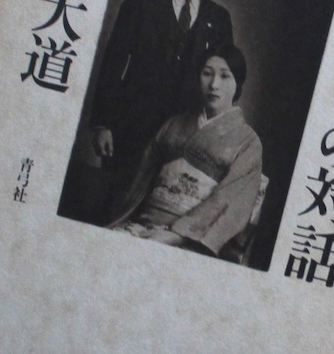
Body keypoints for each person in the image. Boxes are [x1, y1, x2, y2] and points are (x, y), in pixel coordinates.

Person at [89, 0, 234, 216]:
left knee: (162, 218)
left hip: (186, 140)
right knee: (112, 210)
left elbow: (225, 81)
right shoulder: (140, 3)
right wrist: (102, 124)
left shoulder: (219, 19)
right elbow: (112, 65)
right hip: (129, 131)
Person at [109, 44, 262, 257]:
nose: (214, 84)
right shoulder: (174, 124)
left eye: (225, 76)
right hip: (143, 223)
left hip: (193, 239)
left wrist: (176, 235)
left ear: (238, 83)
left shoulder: (248, 142)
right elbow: (142, 179)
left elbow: (229, 201)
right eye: (207, 73)